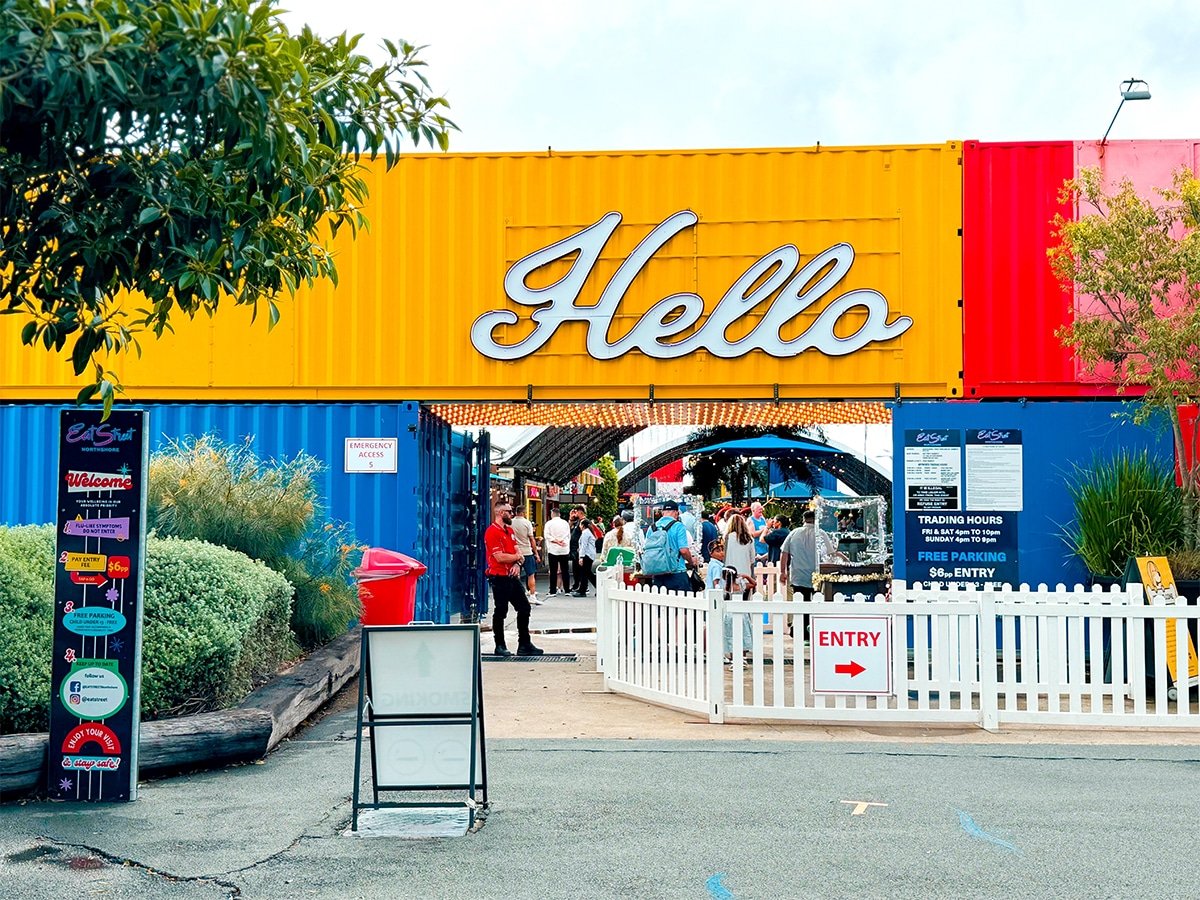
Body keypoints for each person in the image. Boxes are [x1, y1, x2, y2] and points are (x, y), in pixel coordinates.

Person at [484, 501, 542, 657]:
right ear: (501, 513)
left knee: (524, 607)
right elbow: (499, 557)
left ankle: (524, 643)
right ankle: (500, 645)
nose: (512, 514)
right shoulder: (492, 532)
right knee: (501, 611)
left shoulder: (509, 531)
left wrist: (517, 562)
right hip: (499, 577)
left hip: (512, 575)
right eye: (509, 511)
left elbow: (519, 553)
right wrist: (517, 557)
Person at [707, 538, 751, 662]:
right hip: (716, 598)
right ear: (711, 553)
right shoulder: (716, 566)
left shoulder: (716, 564)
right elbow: (716, 582)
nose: (721, 553)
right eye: (717, 550)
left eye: (722, 550)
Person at [780, 509, 839, 601]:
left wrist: (782, 572)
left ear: (803, 520)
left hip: (798, 574)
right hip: (816, 573)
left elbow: (784, 553)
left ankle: (804, 616)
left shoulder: (794, 533)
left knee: (800, 601)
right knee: (817, 601)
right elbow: (831, 553)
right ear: (816, 520)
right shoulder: (821, 533)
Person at [646, 500, 696, 592]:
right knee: (681, 604)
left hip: (658, 573)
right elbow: (683, 550)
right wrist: (691, 561)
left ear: (662, 513)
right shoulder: (678, 526)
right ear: (676, 513)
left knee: (661, 605)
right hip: (677, 572)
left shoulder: (652, 528)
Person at [510, 506, 541, 606]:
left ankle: (517, 595)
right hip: (527, 552)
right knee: (531, 575)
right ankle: (532, 595)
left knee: (516, 575)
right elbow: (531, 539)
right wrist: (536, 553)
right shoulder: (527, 523)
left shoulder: (510, 522)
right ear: (523, 513)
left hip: (515, 552)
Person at [724, 513, 757, 594]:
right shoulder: (749, 539)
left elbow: (723, 556)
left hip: (730, 574)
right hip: (745, 574)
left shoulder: (727, 538)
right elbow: (752, 559)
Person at [543, 506, 571, 596]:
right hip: (564, 549)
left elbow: (546, 535)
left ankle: (552, 591)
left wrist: (556, 541)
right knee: (565, 570)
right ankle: (567, 590)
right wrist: (562, 541)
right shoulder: (565, 523)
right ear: (559, 514)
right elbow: (568, 535)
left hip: (553, 549)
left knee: (553, 571)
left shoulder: (549, 523)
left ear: (552, 514)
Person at [575, 518, 598, 595]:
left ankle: (583, 590)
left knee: (586, 573)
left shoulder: (585, 533)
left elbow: (584, 546)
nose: (579, 526)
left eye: (580, 524)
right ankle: (583, 589)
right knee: (586, 573)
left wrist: (581, 557)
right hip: (590, 554)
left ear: (583, 525)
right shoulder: (589, 532)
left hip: (586, 555)